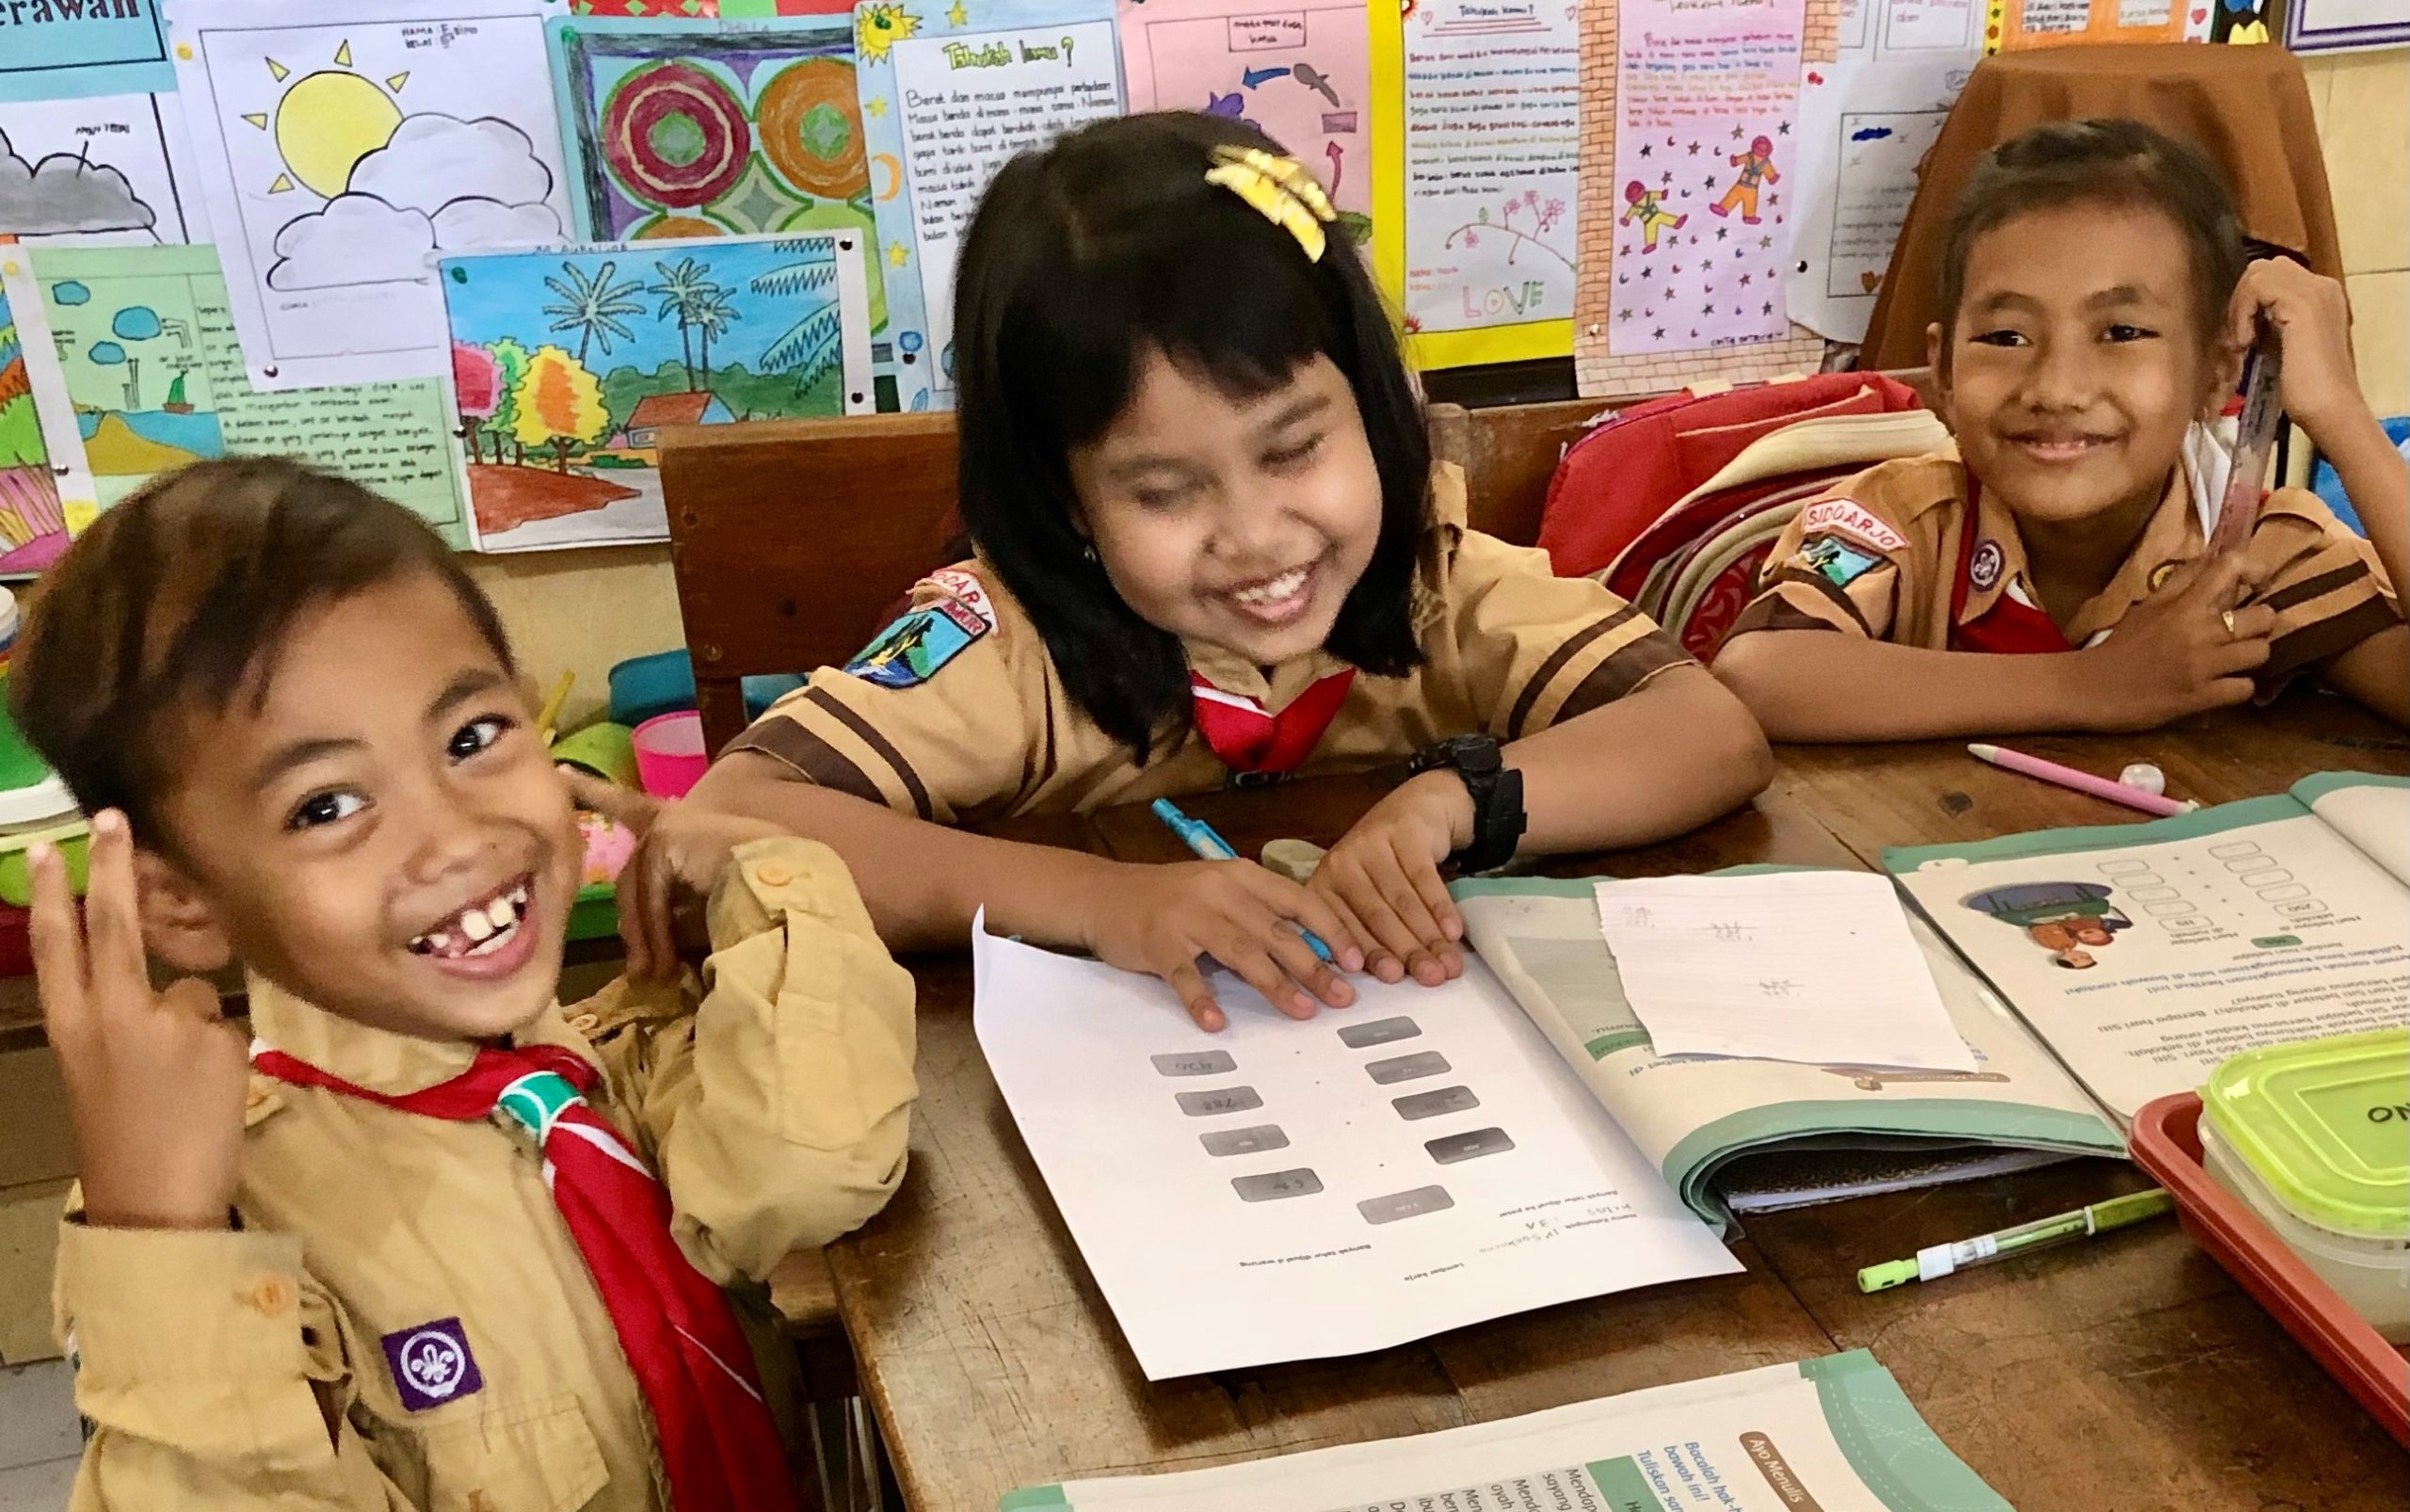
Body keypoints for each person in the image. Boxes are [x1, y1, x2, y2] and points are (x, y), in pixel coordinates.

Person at [691, 112, 1772, 1032]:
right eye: (1163, 491)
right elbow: (722, 823)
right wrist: (1097, 898)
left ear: (1373, 401)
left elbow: (1710, 733)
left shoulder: (1442, 584)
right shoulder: (1007, 643)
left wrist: (1451, 805)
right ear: (1066, 498)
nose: (1254, 538)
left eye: (1294, 447)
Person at [15, 458, 916, 1511]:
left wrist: (760, 874)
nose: (454, 835)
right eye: (325, 806)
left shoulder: (597, 1062)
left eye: (473, 737)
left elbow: (811, 1171)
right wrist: (156, 1236)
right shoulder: (223, 1222)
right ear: (185, 906)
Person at [1714, 120, 2407, 738]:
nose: (2056, 388)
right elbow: (1760, 671)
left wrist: (2341, 415)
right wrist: (2096, 685)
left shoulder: (2256, 554)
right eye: (2007, 336)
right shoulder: (1900, 521)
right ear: (1943, 377)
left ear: (2216, 377)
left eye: (2123, 332)